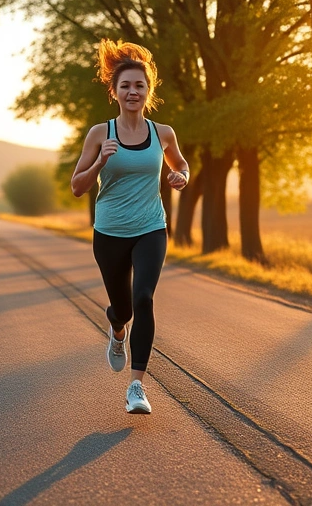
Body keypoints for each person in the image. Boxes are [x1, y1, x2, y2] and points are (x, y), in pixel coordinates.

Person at [71, 39, 189, 414]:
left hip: (151, 227)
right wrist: (99, 163)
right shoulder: (99, 133)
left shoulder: (163, 133)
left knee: (144, 299)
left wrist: (180, 177)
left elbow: (181, 165)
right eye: (125, 86)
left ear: (148, 90)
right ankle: (116, 329)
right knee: (122, 307)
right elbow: (77, 187)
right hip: (109, 233)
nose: (133, 91)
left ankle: (136, 386)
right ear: (115, 91)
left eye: (139, 85)